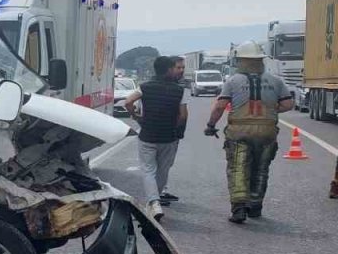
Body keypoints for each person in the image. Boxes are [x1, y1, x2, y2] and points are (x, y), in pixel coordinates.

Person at [205, 40, 294, 223]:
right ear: (260, 60)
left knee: (238, 168)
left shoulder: (233, 81)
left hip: (239, 132)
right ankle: (255, 207)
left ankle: (239, 208)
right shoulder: (276, 81)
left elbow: (220, 106)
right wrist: (270, 111)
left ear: (241, 60)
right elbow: (288, 103)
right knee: (261, 170)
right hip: (267, 133)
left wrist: (211, 125)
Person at [124, 55, 188, 221]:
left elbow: (128, 101)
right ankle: (155, 200)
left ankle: (154, 202)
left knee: (148, 170)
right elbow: (183, 116)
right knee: (163, 170)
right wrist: (176, 129)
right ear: (169, 69)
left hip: (148, 135)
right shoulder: (179, 90)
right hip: (168, 136)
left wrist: (136, 117)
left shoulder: (145, 87)